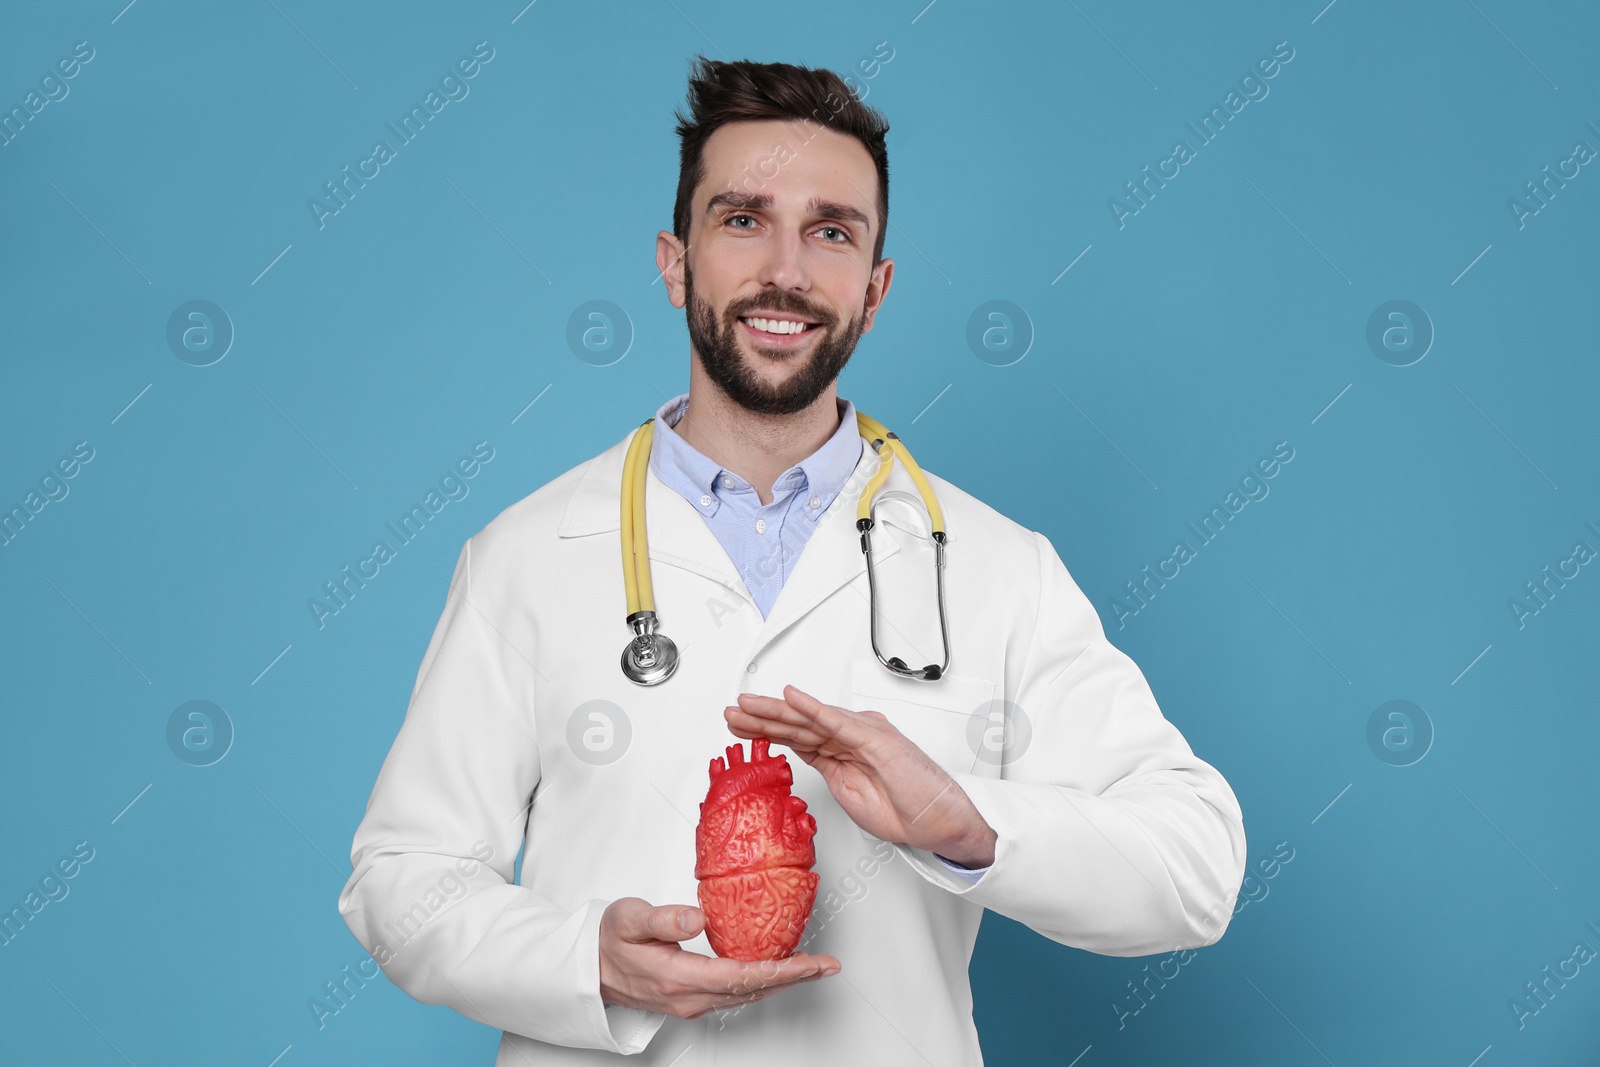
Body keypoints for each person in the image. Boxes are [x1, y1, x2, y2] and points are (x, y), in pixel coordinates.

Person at [338, 55, 1247, 1065]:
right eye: (741, 220)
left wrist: (966, 817)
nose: (786, 270)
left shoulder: (998, 567)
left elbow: (1195, 864)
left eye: (831, 232)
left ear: (875, 287)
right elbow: (401, 874)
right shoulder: (523, 556)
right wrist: (580, 957)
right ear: (675, 260)